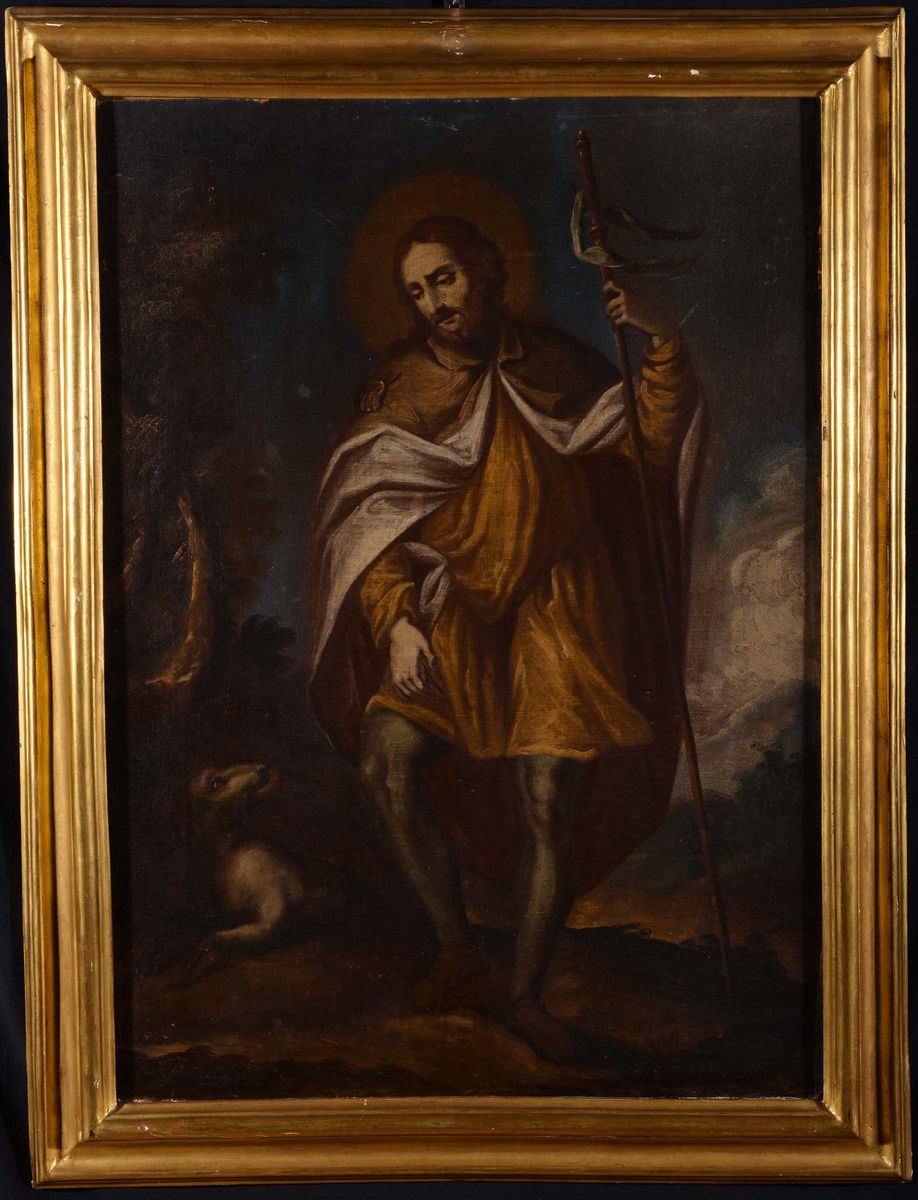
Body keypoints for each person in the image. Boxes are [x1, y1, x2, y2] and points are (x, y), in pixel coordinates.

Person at [309, 215, 702, 1062]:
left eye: (445, 279)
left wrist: (661, 341)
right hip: (454, 610)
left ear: (490, 270)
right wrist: (398, 620)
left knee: (549, 795)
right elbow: (373, 524)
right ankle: (458, 949)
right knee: (387, 758)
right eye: (417, 291)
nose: (433, 303)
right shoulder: (401, 388)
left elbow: (650, 442)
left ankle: (524, 994)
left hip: (562, 607)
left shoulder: (562, 364)